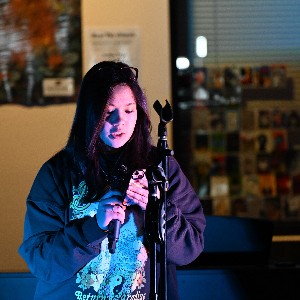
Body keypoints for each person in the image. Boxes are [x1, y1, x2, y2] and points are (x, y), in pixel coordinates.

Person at [19, 60, 206, 300]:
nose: (120, 121)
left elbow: (190, 248)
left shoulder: (161, 168)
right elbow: (41, 262)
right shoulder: (58, 173)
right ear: (91, 113)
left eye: (129, 110)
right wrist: (93, 227)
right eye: (108, 112)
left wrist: (158, 208)